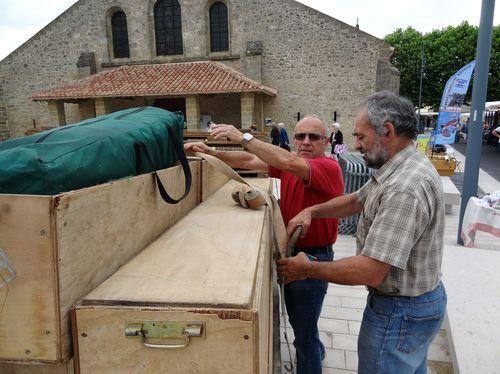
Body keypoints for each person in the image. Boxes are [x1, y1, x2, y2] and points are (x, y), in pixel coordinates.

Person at [277, 91, 447, 374]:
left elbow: (370, 270)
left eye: (361, 137)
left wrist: (308, 269)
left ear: (388, 132)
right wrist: (312, 211)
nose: (355, 146)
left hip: (399, 313)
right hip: (417, 305)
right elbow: (357, 200)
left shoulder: (404, 187)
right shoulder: (398, 167)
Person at [184, 116, 344, 373]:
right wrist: (211, 152)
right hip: (292, 254)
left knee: (303, 332)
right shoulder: (292, 165)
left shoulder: (327, 167)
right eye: (300, 136)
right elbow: (249, 161)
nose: (305, 142)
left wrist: (242, 137)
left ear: (326, 142)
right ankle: (316, 347)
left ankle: (312, 356)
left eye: (313, 137)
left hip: (313, 258)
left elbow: (286, 160)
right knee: (302, 321)